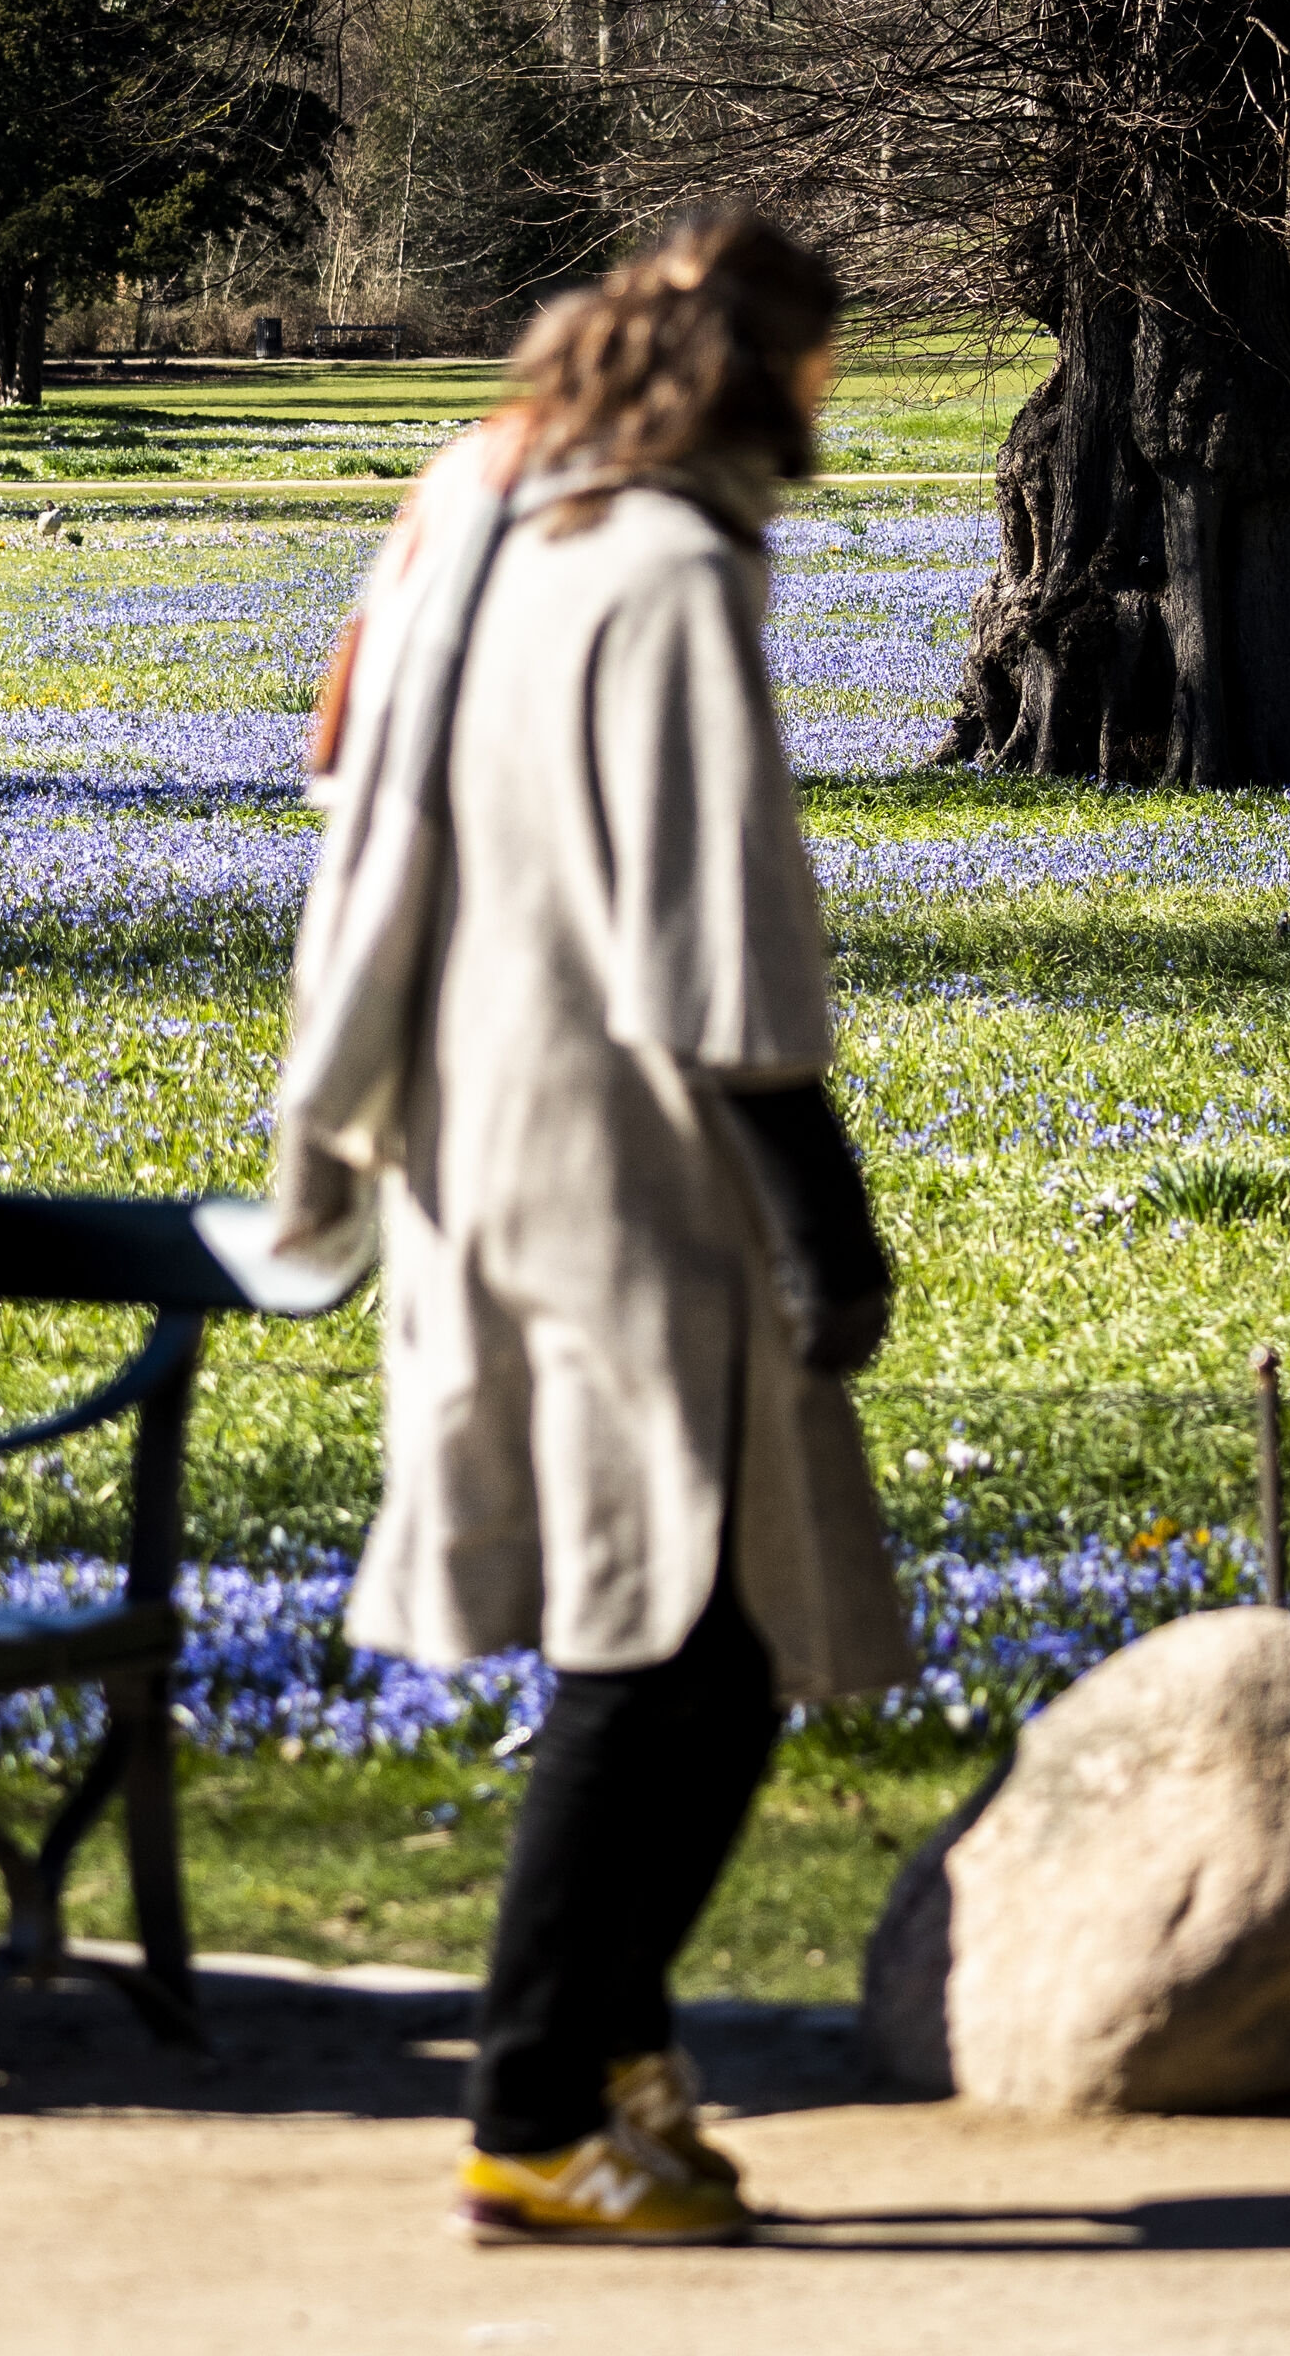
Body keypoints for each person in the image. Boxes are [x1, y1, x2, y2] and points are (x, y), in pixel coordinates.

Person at [269, 204, 913, 2244]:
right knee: (668, 1632)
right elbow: (713, 929)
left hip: (465, 1118)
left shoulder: (480, 512)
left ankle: (618, 2055)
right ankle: (533, 2108)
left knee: (662, 1627)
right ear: (766, 373)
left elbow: (342, 783)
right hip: (631, 1148)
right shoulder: (655, 568)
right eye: (822, 364)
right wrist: (825, 1216)